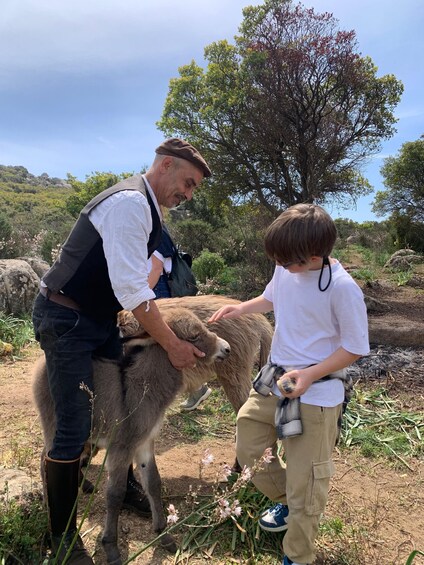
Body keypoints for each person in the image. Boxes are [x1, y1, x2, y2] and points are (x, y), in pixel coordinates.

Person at [32, 138, 211, 564]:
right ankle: (60, 537)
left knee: (125, 407)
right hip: (68, 319)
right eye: (187, 183)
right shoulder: (131, 203)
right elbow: (133, 290)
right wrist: (172, 344)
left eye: (193, 190)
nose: (187, 194)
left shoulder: (149, 209)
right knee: (73, 425)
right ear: (165, 165)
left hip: (96, 319)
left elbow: (129, 279)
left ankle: (124, 482)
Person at [209, 204, 369, 565]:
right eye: (277, 261)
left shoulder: (342, 289)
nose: (281, 267)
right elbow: (272, 297)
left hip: (317, 391)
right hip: (274, 379)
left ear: (315, 256)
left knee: (307, 480)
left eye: (287, 263)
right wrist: (240, 308)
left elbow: (355, 347)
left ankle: (298, 554)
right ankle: (287, 503)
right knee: (249, 444)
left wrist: (310, 374)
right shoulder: (286, 266)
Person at [148, 224, 212, 411]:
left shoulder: (153, 230)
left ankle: (192, 390)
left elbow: (156, 268)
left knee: (164, 346)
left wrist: (138, 297)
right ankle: (196, 389)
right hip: (161, 291)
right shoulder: (158, 228)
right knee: (167, 346)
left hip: (157, 293)